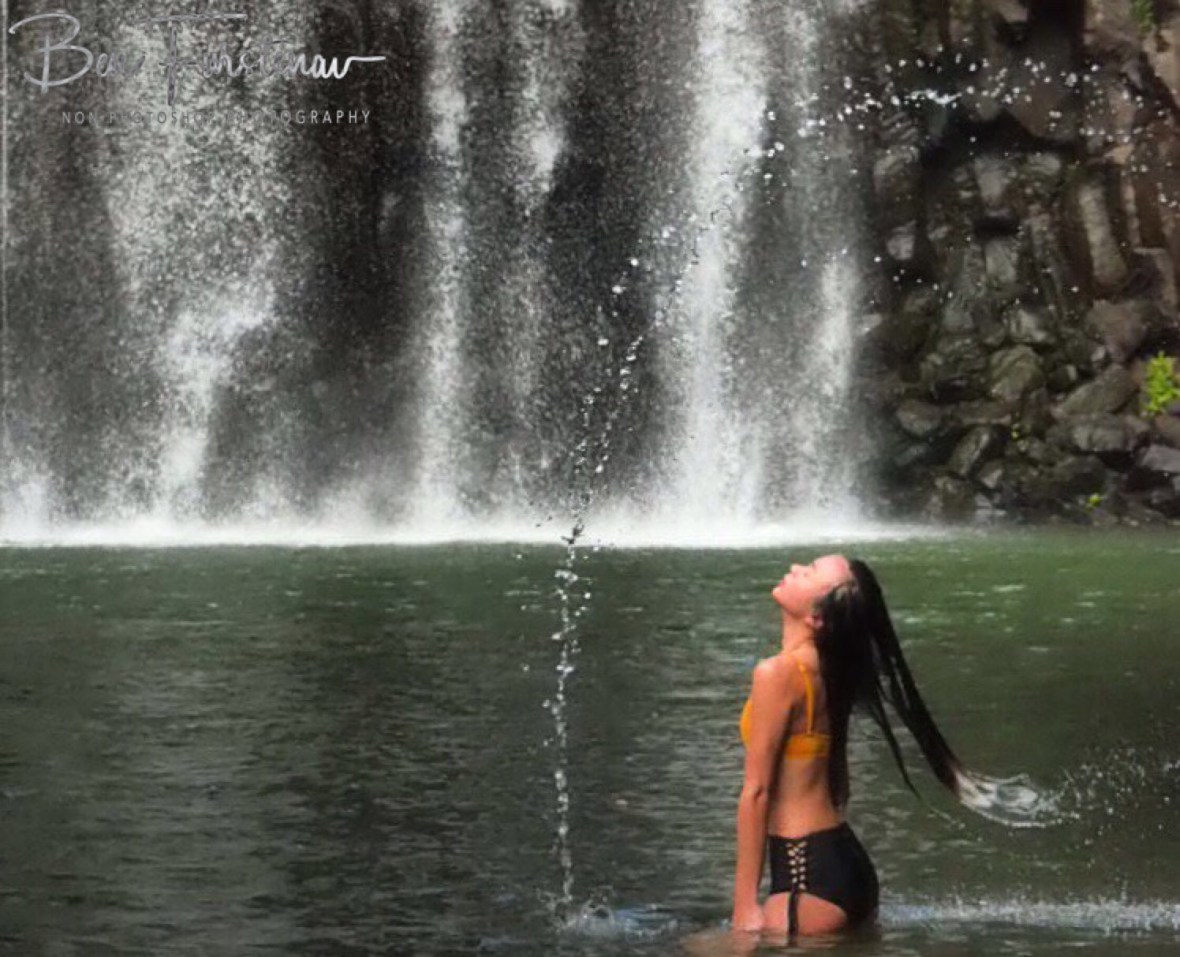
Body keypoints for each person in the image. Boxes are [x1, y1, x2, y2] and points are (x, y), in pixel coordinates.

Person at [731, 554, 968, 940]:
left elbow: (756, 792)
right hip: (846, 863)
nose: (795, 568)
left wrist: (744, 908)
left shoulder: (776, 674)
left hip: (803, 875)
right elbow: (838, 783)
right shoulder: (827, 669)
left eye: (809, 573)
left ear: (817, 618)